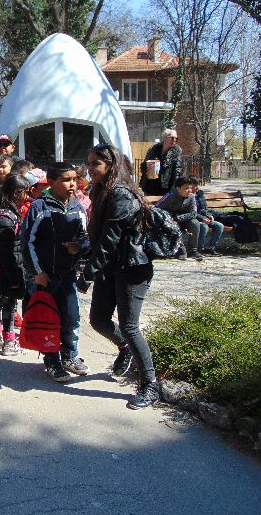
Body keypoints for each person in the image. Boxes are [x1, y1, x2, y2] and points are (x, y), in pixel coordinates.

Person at [80, 143, 160, 410]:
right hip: (111, 267)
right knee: (98, 320)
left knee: (129, 326)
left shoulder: (122, 194)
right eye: (89, 163)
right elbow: (99, 237)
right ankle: (125, 347)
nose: (90, 169)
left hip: (132, 267)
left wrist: (88, 274)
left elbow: (109, 241)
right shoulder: (100, 190)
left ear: (111, 165)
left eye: (96, 164)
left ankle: (150, 384)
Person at [22, 162, 90, 382]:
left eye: (74, 179)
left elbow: (86, 238)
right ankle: (52, 360)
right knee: (48, 320)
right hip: (45, 277)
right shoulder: (39, 207)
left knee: (71, 318)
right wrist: (37, 272)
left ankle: (70, 355)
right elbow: (27, 242)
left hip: (68, 275)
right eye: (66, 180)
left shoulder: (78, 207)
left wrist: (79, 246)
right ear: (51, 182)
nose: (72, 184)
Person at [0, 174, 29, 355]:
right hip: (4, 270)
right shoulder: (6, 218)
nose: (27, 195)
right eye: (25, 191)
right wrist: (14, 278)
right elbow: (7, 253)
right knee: (10, 305)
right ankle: (9, 343)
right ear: (17, 192)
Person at [156, 176, 204, 261]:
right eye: (186, 188)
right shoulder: (170, 196)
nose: (189, 190)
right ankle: (180, 250)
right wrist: (169, 217)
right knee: (173, 225)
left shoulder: (191, 197)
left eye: (190, 188)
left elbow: (193, 213)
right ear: (178, 189)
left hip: (183, 220)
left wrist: (179, 218)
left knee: (195, 223)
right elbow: (157, 208)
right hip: (170, 220)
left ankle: (193, 250)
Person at [140, 129, 182, 196]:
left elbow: (177, 170)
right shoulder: (153, 149)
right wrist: (148, 170)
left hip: (165, 186)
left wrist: (173, 188)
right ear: (164, 138)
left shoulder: (176, 151)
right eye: (172, 138)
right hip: (151, 184)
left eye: (176, 138)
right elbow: (144, 165)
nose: (174, 140)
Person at [189, 176, 224, 256]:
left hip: (203, 218)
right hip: (193, 219)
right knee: (204, 226)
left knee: (219, 226)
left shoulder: (199, 194)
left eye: (197, 185)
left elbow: (204, 208)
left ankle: (210, 248)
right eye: (195, 185)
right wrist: (202, 218)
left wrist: (209, 215)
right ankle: (200, 249)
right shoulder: (187, 196)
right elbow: (190, 212)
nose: (197, 187)